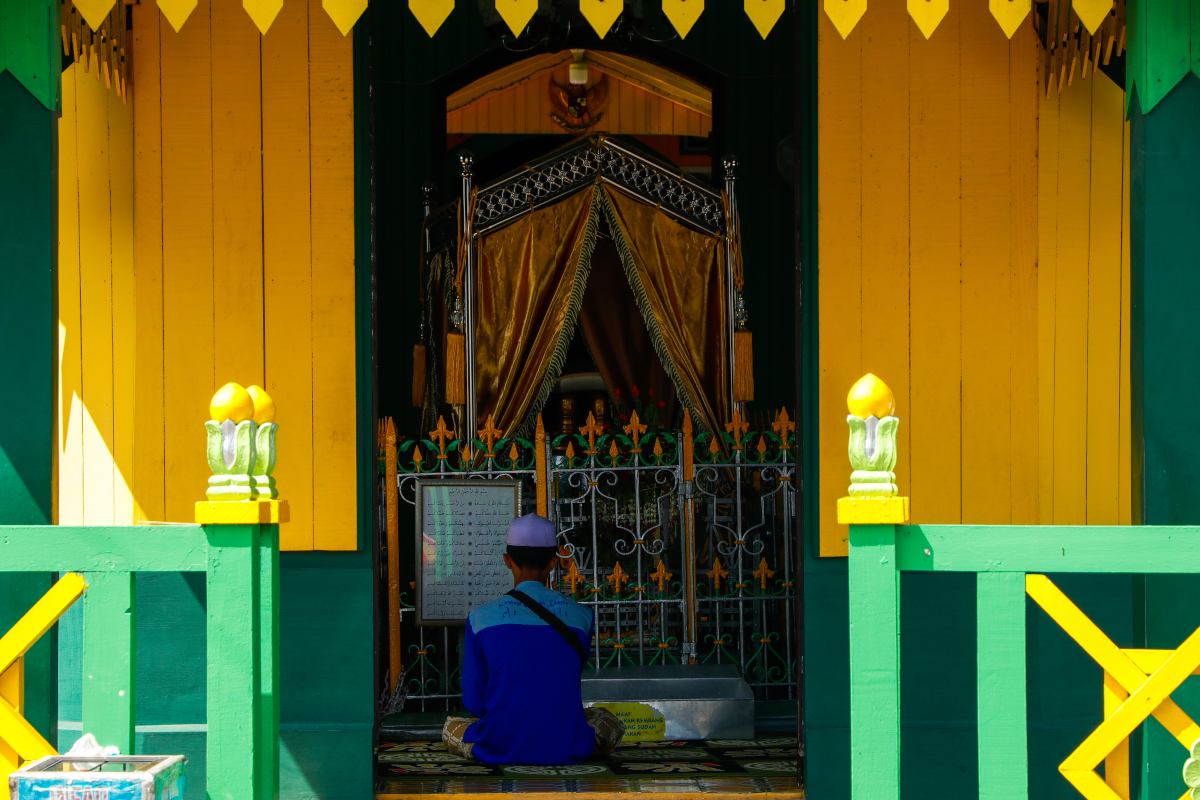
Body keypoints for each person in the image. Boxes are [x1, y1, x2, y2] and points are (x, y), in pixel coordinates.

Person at [441, 514, 624, 764]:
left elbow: (475, 704)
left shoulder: (479, 619)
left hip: (500, 744)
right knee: (606, 719)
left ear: (507, 560)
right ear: (553, 562)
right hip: (565, 744)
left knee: (452, 727)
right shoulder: (583, 617)